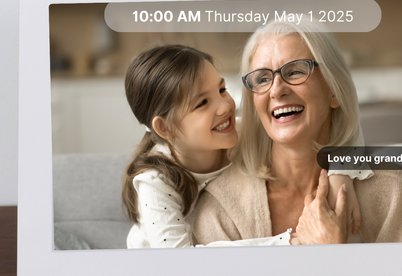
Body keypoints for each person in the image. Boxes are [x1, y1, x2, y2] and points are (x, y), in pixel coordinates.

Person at [192, 22, 402, 245]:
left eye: (295, 71)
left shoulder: (389, 187)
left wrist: (333, 256)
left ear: (334, 91)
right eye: (262, 78)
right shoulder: (220, 207)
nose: (276, 90)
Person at [122, 44, 292, 248]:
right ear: (165, 127)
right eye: (202, 103)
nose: (225, 106)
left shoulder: (247, 133)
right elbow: (180, 264)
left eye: (222, 90)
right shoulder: (156, 181)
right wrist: (289, 242)